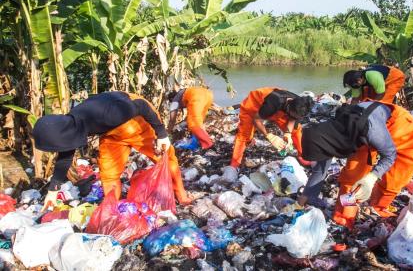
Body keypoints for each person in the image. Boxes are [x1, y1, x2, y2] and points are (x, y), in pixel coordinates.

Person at [32, 91, 192, 210]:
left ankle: (181, 195)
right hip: (111, 134)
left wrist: (162, 134)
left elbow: (141, 106)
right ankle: (112, 208)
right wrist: (53, 190)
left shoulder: (106, 115)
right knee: (108, 173)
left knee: (165, 159)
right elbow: (65, 154)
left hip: (136, 122)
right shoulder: (71, 126)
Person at [296, 100, 413, 228]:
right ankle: (344, 217)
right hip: (360, 129)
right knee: (353, 175)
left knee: (396, 174)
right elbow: (320, 170)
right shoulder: (326, 136)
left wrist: (372, 177)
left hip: (398, 126)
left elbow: (390, 155)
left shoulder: (372, 130)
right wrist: (306, 196)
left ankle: (378, 207)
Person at [222, 87, 314, 181]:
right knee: (244, 135)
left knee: (296, 130)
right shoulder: (274, 101)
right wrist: (269, 136)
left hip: (280, 111)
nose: (295, 117)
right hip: (254, 105)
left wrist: (288, 133)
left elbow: (292, 118)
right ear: (289, 106)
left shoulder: (300, 106)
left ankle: (302, 155)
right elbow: (256, 120)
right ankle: (234, 164)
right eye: (293, 114)